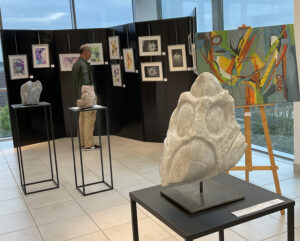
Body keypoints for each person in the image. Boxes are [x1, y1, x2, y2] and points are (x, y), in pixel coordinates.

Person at [72, 45, 100, 151]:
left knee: (82, 119)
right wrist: (92, 97)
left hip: (79, 96)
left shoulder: (76, 64)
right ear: (86, 52)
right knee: (89, 117)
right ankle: (89, 144)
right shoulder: (83, 65)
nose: (91, 54)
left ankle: (84, 143)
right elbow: (87, 82)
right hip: (87, 96)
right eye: (90, 52)